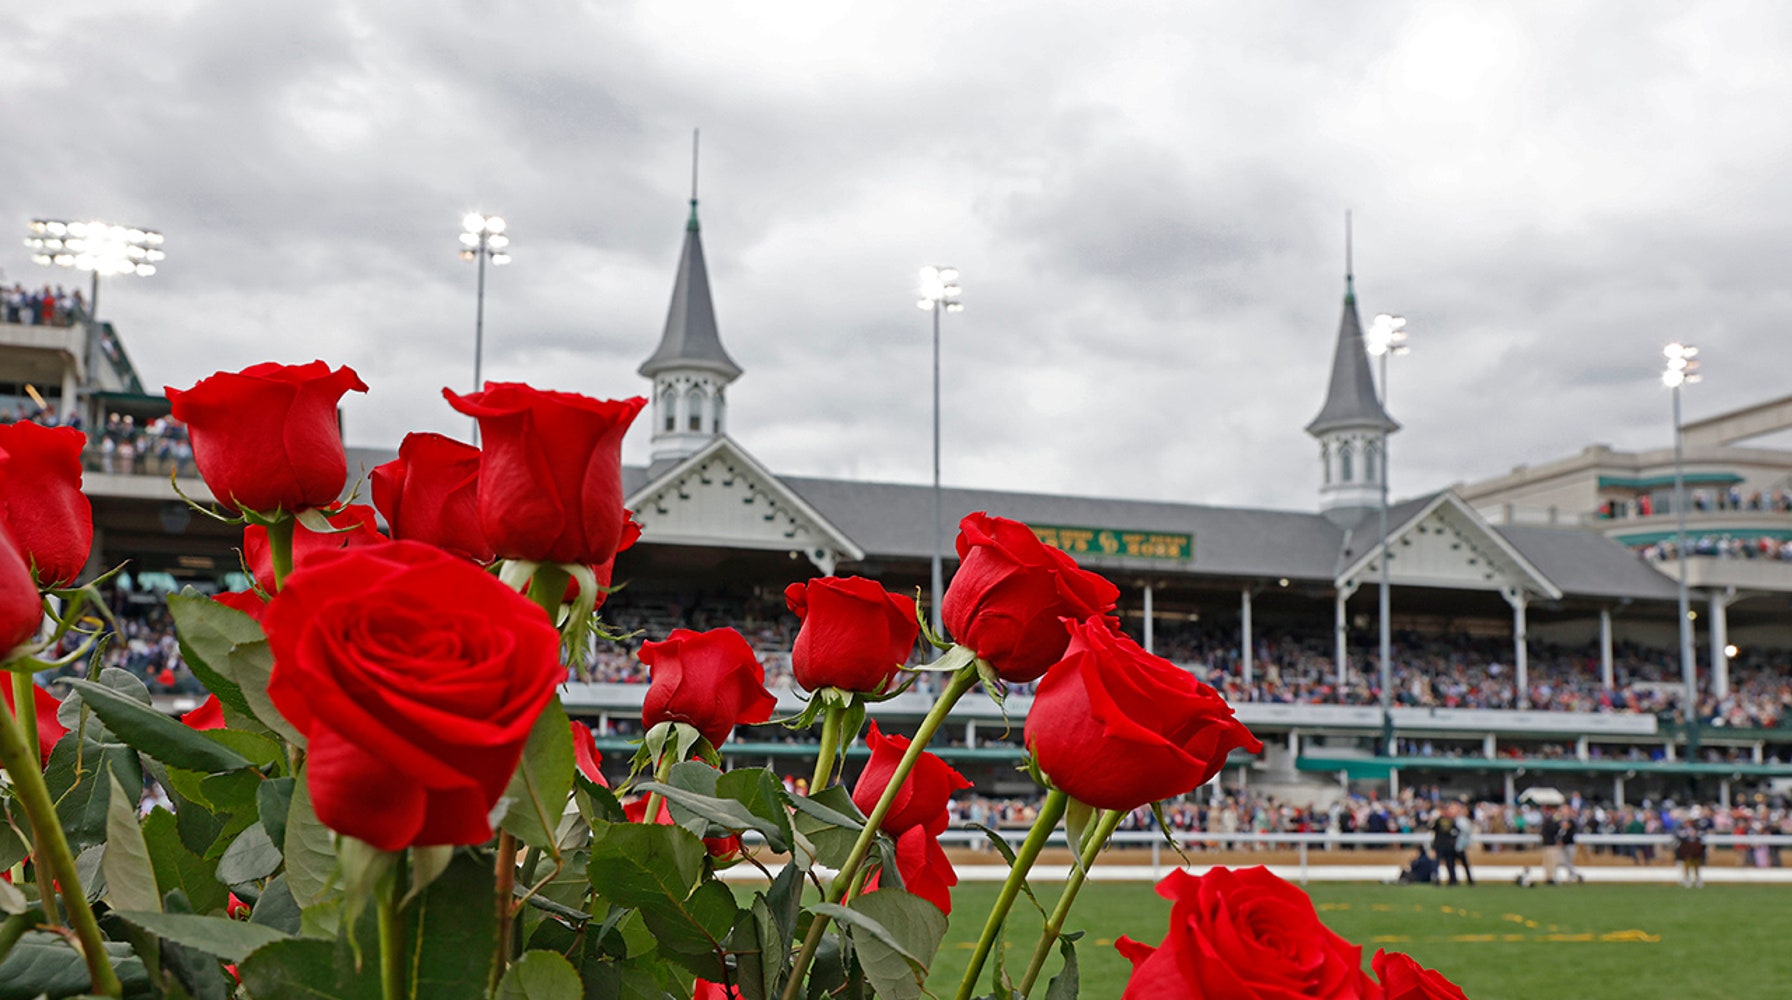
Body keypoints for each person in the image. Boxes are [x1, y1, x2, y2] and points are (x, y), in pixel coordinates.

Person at [1540, 804, 1579, 884]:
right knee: (1556, 861)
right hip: (1556, 844)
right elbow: (1552, 831)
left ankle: (1571, 876)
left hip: (1567, 844)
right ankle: (1553, 877)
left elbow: (1572, 832)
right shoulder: (1554, 820)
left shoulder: (1571, 821)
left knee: (1568, 861)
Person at [1675, 812, 1708, 888]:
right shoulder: (1682, 828)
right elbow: (1679, 836)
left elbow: (1701, 836)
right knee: (1687, 863)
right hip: (1686, 850)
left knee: (1696, 864)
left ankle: (1697, 879)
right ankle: (1687, 878)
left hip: (1695, 850)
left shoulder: (1697, 828)